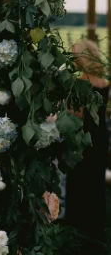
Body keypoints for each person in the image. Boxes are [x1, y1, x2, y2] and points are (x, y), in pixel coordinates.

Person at [65, 38, 109, 252]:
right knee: (96, 180)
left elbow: (76, 115)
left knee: (79, 180)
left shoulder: (81, 83)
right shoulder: (103, 82)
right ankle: (96, 226)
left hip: (83, 139)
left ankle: (79, 225)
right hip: (100, 136)